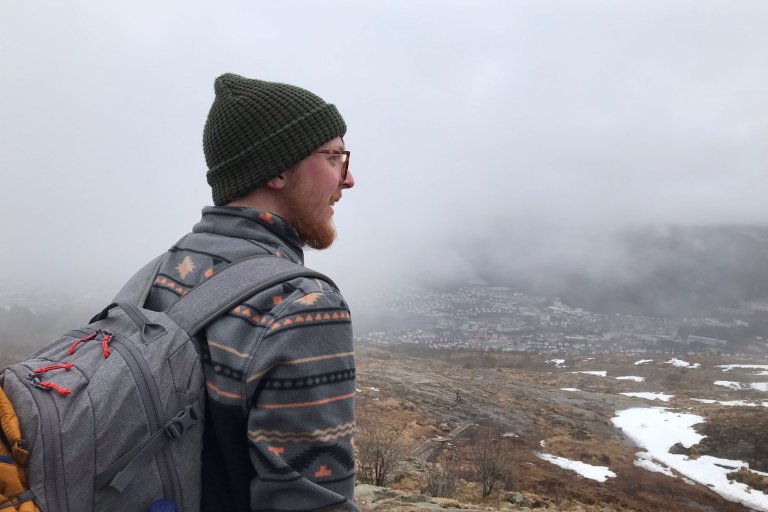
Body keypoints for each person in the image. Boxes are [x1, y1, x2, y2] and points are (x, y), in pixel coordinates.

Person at [141, 73, 358, 512]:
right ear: (276, 169)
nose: (348, 179)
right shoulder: (302, 304)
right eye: (334, 157)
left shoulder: (163, 271)